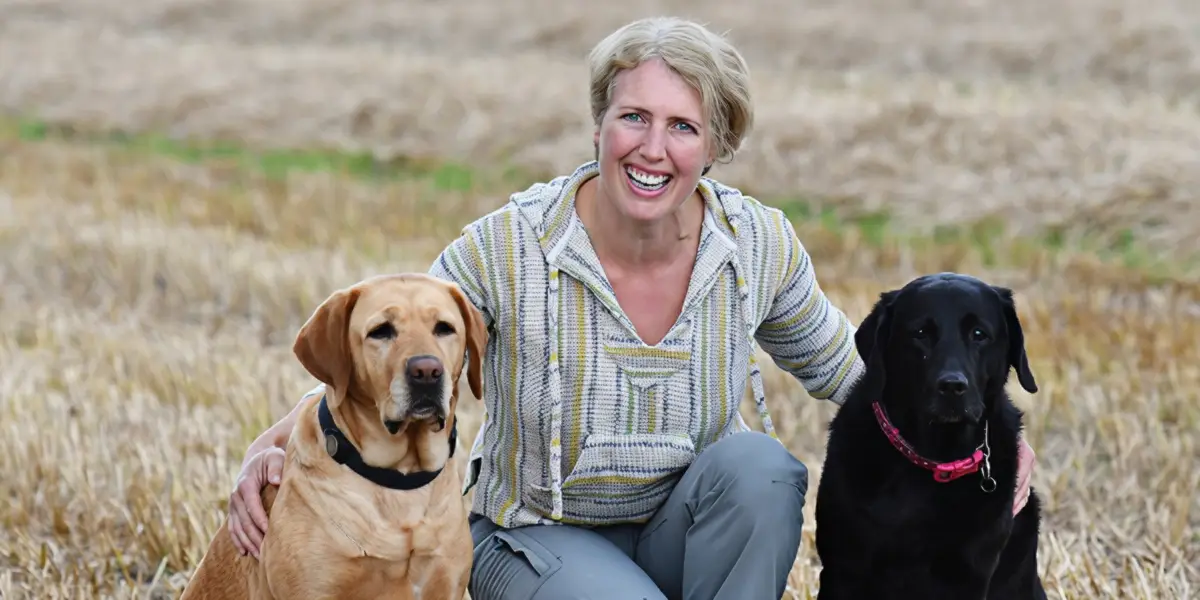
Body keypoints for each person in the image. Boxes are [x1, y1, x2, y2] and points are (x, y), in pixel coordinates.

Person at [224, 16, 1038, 599]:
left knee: (763, 470)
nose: (653, 148)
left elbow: (860, 373)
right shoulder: (511, 246)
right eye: (633, 118)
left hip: (684, 532)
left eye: (683, 126)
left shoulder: (755, 244)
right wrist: (280, 443)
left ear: (717, 144)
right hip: (533, 541)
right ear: (598, 125)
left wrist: (992, 442)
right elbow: (398, 342)